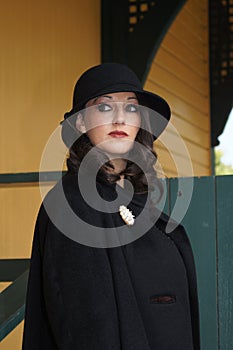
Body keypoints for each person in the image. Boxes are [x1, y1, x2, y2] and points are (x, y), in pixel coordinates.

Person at [22, 63, 200, 349]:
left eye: (131, 108)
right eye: (104, 108)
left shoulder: (145, 209)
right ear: (81, 122)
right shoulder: (72, 205)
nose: (120, 118)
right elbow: (84, 328)